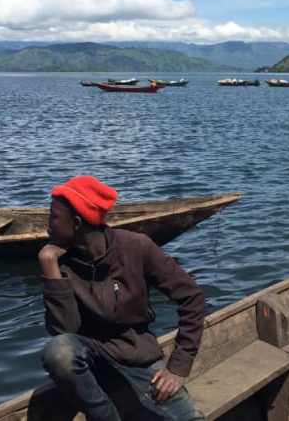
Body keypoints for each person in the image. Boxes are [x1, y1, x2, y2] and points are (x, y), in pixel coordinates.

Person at [40, 176, 206, 420]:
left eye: (53, 217)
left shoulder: (137, 247)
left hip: (137, 356)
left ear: (76, 223)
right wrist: (50, 268)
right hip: (90, 356)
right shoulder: (59, 262)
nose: (47, 226)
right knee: (58, 351)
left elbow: (192, 297)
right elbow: (65, 330)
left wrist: (178, 368)